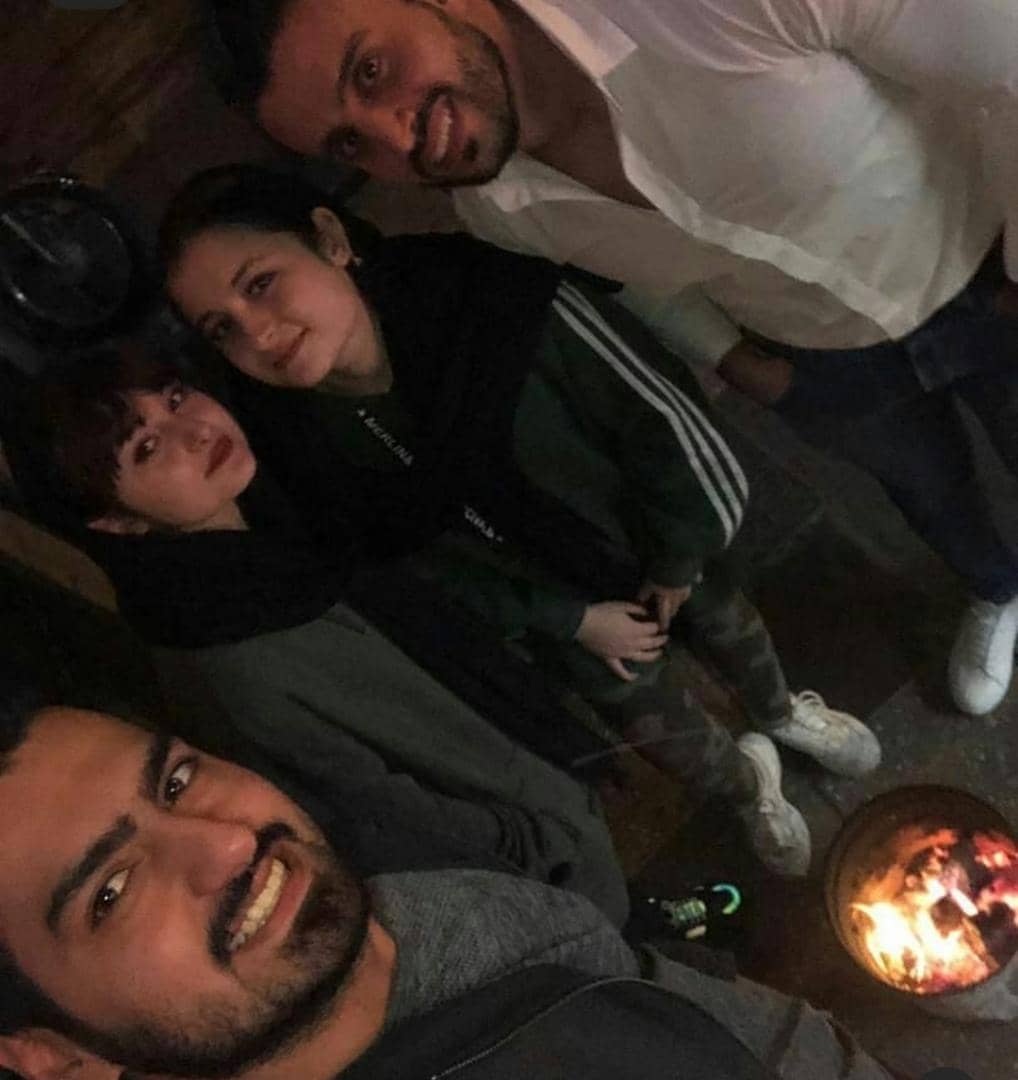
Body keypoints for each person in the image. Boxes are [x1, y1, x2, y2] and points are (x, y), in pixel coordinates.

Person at [205, 0, 1018, 718]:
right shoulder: (496, 210)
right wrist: (735, 359)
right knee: (927, 487)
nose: (395, 135)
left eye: (371, 70)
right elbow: (639, 277)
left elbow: (1004, 54)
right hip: (826, 360)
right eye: (349, 143)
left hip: (988, 262)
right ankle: (995, 584)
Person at [158, 163, 882, 879]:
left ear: (330, 238)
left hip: (653, 541)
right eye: (223, 329)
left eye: (261, 283)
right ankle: (749, 789)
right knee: (657, 725)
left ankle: (780, 712)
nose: (258, 334)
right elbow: (418, 572)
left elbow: (660, 419)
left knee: (729, 626)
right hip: (562, 622)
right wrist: (570, 620)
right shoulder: (303, 446)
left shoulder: (487, 300)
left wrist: (676, 560)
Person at [0, 680, 901, 1080]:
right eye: (110, 892)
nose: (229, 847)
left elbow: (665, 998)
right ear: (54, 1058)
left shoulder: (417, 910)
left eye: (175, 782)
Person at [36, 342, 630, 924]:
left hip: (556, 796)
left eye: (174, 397)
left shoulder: (282, 529)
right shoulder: (220, 643)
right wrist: (540, 844)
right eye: (146, 447)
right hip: (546, 878)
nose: (193, 430)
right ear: (116, 521)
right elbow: (374, 815)